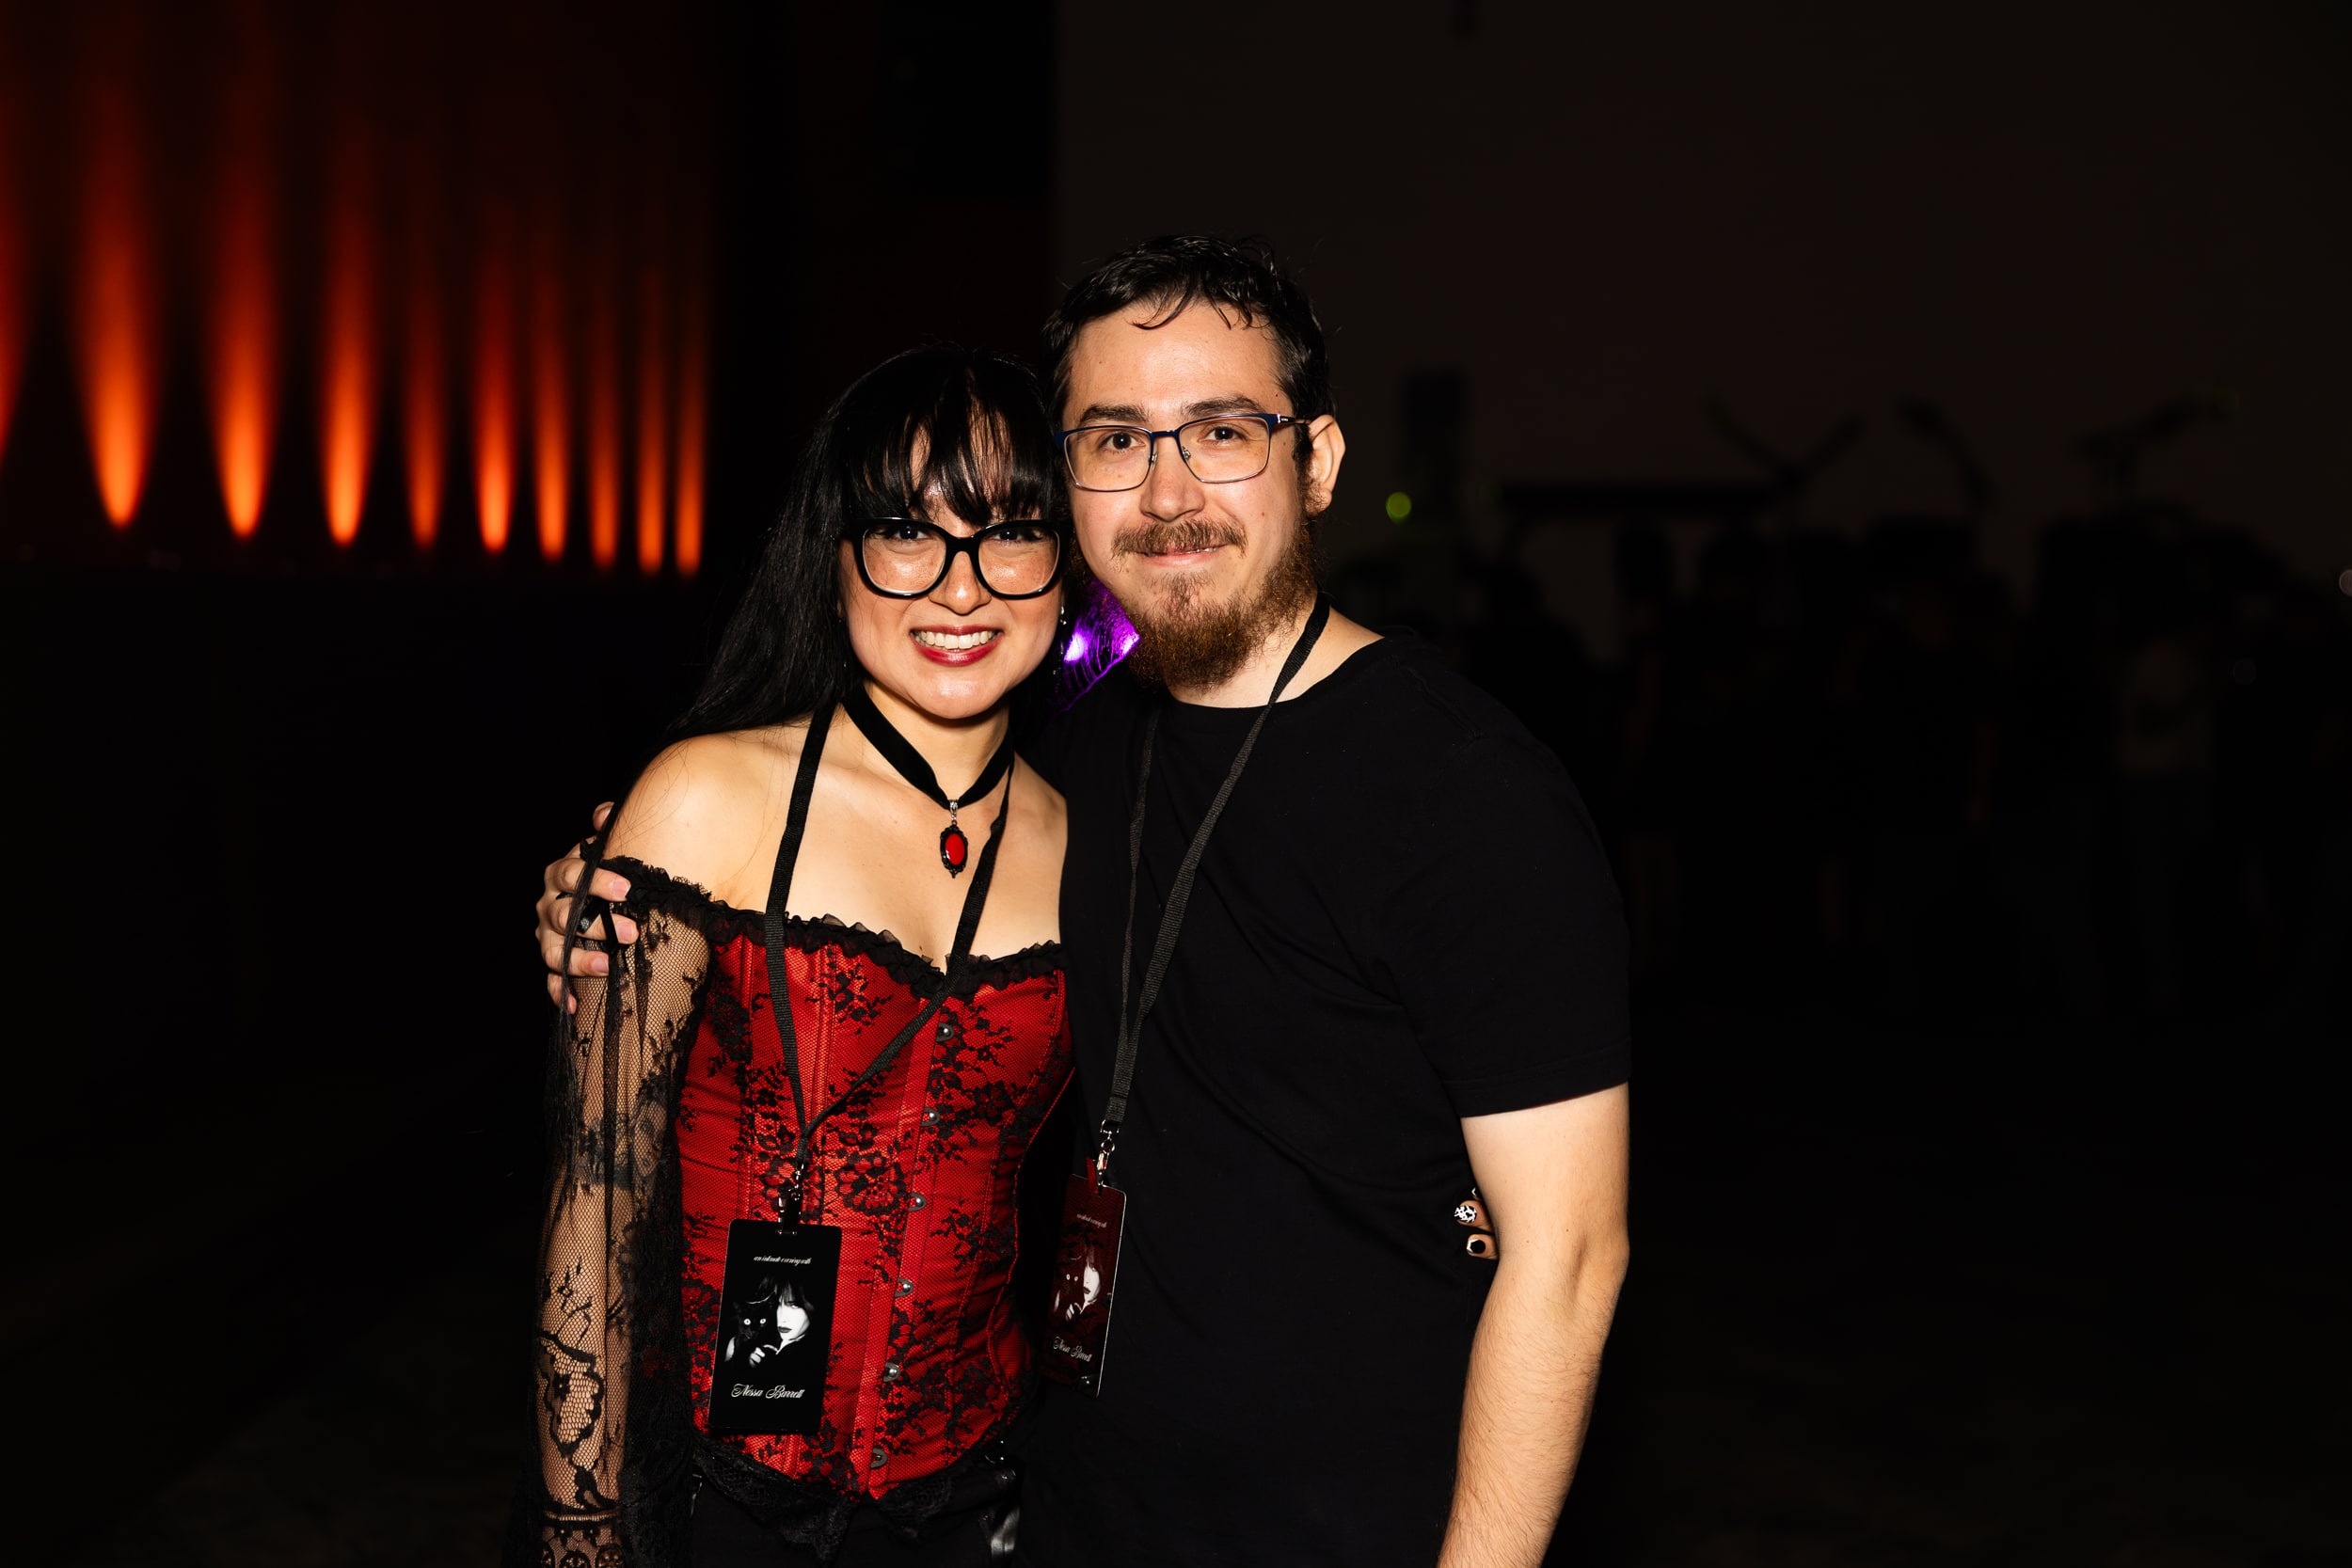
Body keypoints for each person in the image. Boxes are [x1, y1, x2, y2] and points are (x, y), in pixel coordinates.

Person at [542, 238, 1630, 1567]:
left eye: (1222, 431)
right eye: (1117, 440)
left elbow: (1571, 1255)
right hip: (1059, 1506)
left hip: (1346, 1525)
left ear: (1319, 461)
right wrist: (612, 906)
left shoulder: (1469, 794)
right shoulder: (1079, 757)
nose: (1168, 491)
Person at [516, 346, 1078, 1567]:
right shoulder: (704, 798)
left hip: (985, 1500)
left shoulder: (1098, 842)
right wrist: (579, 1527)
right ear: (835, 557)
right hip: (716, 1497)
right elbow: (594, 1207)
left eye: (1010, 532)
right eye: (906, 532)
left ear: (1065, 561)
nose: (961, 587)